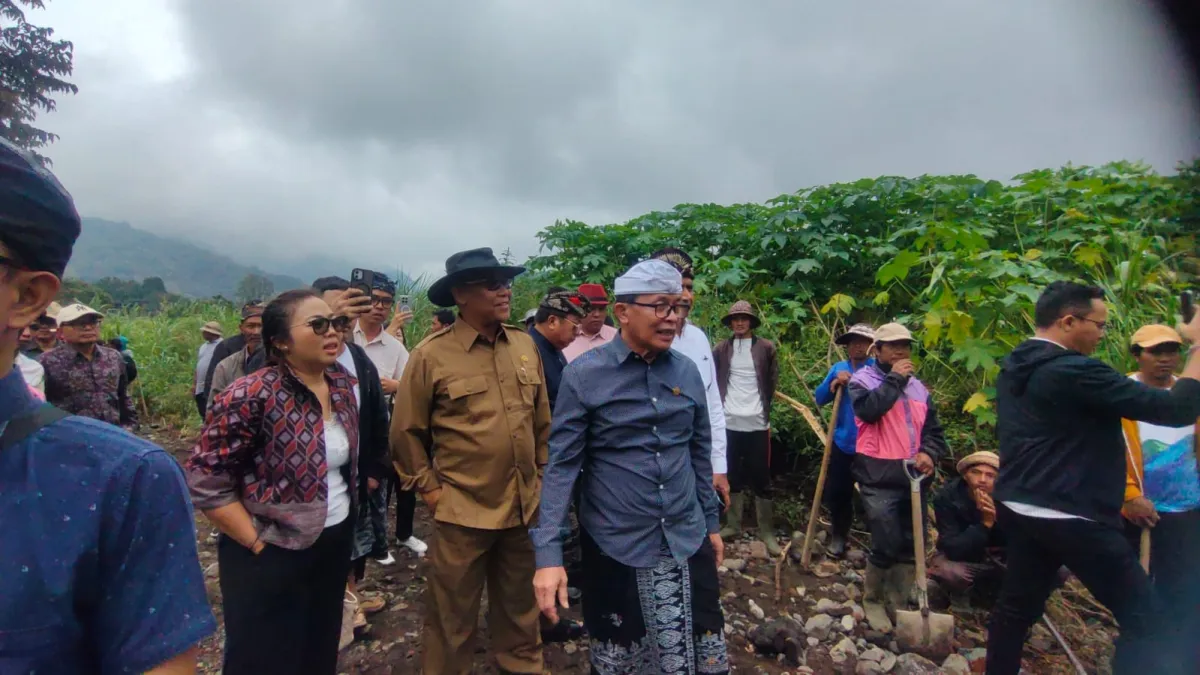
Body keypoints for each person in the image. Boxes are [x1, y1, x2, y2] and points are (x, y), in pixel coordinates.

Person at [0, 136, 215, 672]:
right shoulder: (50, 367)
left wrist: (122, 434)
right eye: (82, 322)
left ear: (27, 296)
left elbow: (120, 401)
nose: (89, 329)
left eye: (94, 322)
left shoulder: (120, 481)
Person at [987, 282, 1200, 675]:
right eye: (1099, 325)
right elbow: (1177, 408)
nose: (1103, 334)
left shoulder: (1015, 363)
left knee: (1015, 610)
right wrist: (1198, 347)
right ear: (1068, 321)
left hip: (1022, 506)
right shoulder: (1075, 370)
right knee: (1150, 621)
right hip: (1073, 516)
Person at [532, 259, 729, 674]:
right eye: (660, 306)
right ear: (623, 312)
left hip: (684, 533)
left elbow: (698, 450)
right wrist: (548, 554)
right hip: (615, 540)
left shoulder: (687, 371)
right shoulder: (585, 375)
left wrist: (710, 523)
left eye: (677, 307)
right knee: (623, 653)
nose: (672, 318)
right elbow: (562, 465)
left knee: (701, 648)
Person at [391, 247, 549, 674]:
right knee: (451, 617)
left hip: (521, 508)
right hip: (462, 511)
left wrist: (541, 478)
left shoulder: (523, 345)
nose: (505, 291)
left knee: (520, 609)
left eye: (507, 283)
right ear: (461, 293)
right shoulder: (431, 355)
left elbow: (541, 422)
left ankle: (524, 667)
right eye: (493, 284)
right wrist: (431, 491)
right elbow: (406, 433)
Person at [187, 289, 361, 675]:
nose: (331, 332)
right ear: (280, 341)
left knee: (319, 643)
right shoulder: (252, 394)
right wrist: (255, 542)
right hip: (269, 547)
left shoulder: (342, 385)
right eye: (317, 325)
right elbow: (205, 478)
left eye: (335, 324)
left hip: (332, 539)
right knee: (264, 655)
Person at [310, 277, 394, 647]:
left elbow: (376, 414)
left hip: (355, 471)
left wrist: (375, 467)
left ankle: (349, 599)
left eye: (342, 317)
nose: (336, 324)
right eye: (326, 315)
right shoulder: (298, 357)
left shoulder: (356, 357)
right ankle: (336, 607)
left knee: (355, 540)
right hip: (309, 478)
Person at [848, 322, 946, 633]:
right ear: (876, 350)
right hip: (877, 474)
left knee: (909, 541)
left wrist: (930, 453)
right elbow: (870, 411)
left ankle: (900, 599)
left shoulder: (920, 389)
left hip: (914, 478)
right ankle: (874, 598)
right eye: (892, 345)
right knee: (886, 538)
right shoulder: (861, 381)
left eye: (905, 345)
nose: (900, 350)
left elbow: (934, 432)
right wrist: (895, 378)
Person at [1119, 324, 1200, 668]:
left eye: (1172, 351)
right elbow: (1109, 450)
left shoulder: (1189, 394)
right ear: (1137, 355)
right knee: (1139, 595)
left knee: (1186, 592)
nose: (1166, 359)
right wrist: (1129, 496)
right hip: (1140, 515)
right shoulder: (1123, 394)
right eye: (1156, 352)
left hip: (1188, 511)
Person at [528, 287, 589, 643]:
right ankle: (540, 621)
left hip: (554, 455)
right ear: (552, 321)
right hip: (540, 461)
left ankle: (546, 613)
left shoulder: (552, 351)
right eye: (572, 326)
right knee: (542, 537)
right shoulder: (530, 351)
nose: (576, 333)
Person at [651, 248, 732, 515]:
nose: (686, 295)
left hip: (695, 463)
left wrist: (718, 466)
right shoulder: (642, 342)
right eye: (678, 287)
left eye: (689, 287)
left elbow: (713, 406)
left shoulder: (698, 339)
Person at [352, 271, 426, 559]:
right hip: (346, 419)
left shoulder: (395, 348)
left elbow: (410, 385)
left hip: (383, 421)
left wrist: (394, 386)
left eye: (386, 302)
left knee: (387, 479)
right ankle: (358, 544)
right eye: (375, 300)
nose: (380, 306)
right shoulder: (346, 337)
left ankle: (391, 537)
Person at [713, 300, 780, 554]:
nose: (739, 322)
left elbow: (771, 383)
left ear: (751, 321)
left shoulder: (765, 348)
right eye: (735, 319)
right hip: (728, 421)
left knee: (762, 475)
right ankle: (733, 524)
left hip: (757, 422)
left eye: (744, 318)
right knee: (732, 474)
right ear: (730, 323)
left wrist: (762, 409)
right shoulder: (721, 349)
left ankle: (767, 531)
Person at [814, 323, 876, 557]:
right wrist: (834, 384)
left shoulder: (878, 371)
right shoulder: (839, 368)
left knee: (874, 495)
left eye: (863, 341)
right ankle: (839, 535)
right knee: (838, 492)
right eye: (853, 341)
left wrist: (857, 383)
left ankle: (877, 541)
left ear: (872, 347)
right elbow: (819, 398)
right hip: (843, 442)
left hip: (872, 446)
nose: (858, 346)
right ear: (847, 345)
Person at [41, 303, 138, 428]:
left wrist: (131, 426)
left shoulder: (113, 357)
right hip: (71, 438)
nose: (87, 327)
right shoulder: (47, 362)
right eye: (78, 323)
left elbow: (122, 395)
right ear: (60, 332)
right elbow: (41, 406)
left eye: (93, 322)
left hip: (114, 434)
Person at [928, 451, 1005, 606]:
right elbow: (952, 548)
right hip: (963, 560)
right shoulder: (948, 498)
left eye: (990, 476)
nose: (982, 480)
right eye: (976, 473)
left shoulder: (1008, 499)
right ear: (965, 475)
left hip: (999, 559)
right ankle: (961, 597)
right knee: (950, 572)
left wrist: (997, 520)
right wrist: (984, 525)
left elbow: (1017, 540)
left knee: (1055, 570)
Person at [202, 300, 265, 394]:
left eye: (261, 326)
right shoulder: (226, 350)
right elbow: (211, 386)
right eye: (251, 326)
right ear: (241, 328)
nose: (256, 332)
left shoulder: (281, 356)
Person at [562, 282, 616, 362]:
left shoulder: (618, 338)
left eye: (601, 309)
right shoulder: (564, 339)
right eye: (591, 309)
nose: (597, 314)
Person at [194, 320, 224, 418]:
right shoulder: (203, 346)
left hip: (212, 385)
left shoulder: (222, 345)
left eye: (206, 331)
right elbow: (198, 365)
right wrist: (194, 384)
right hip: (200, 386)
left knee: (213, 411)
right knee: (202, 410)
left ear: (213, 333)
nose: (203, 333)